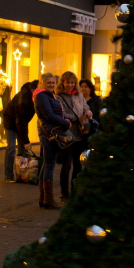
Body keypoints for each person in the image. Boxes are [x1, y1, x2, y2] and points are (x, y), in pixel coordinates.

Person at [34, 72, 72, 209]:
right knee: (49, 165)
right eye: (49, 82)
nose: (52, 85)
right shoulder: (41, 96)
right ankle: (48, 200)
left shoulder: (47, 96)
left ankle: (43, 198)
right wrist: (66, 123)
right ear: (42, 83)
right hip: (50, 133)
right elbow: (49, 115)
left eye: (53, 82)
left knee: (47, 164)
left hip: (50, 132)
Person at [56, 71, 92, 203]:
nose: (70, 85)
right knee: (66, 165)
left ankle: (74, 191)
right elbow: (62, 114)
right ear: (63, 83)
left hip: (81, 134)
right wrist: (78, 118)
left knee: (78, 164)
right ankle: (64, 193)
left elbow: (86, 108)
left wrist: (88, 113)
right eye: (68, 82)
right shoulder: (59, 97)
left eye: (72, 82)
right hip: (67, 134)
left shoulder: (79, 95)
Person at [2, 80, 38, 182]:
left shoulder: (37, 97)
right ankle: (8, 175)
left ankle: (22, 175)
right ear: (32, 90)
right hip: (10, 121)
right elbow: (21, 122)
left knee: (23, 149)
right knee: (11, 147)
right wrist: (27, 141)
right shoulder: (23, 100)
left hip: (20, 122)